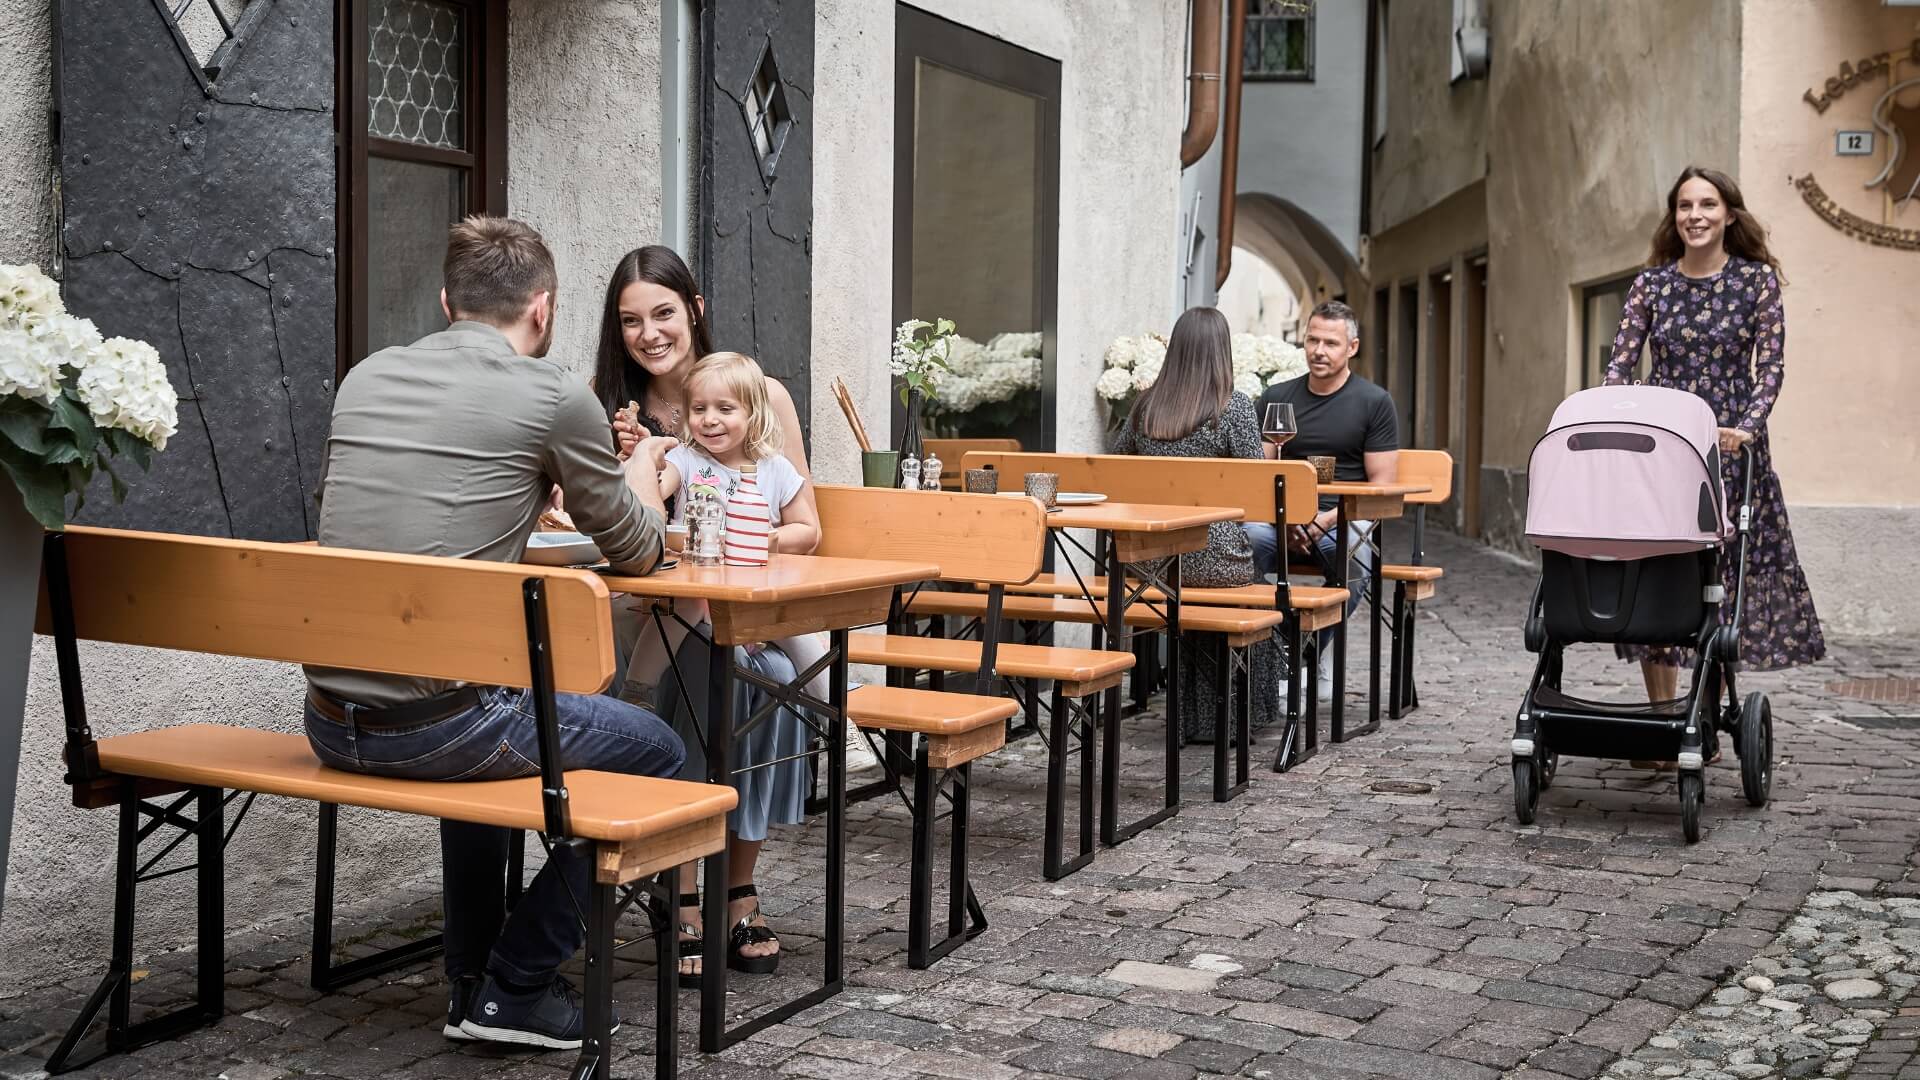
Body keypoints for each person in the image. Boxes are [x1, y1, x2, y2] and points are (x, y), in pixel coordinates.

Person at [303, 215, 686, 1051]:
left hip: (332, 719)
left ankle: (468, 979)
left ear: (447, 302)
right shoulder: (554, 394)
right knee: (661, 753)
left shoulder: (366, 376)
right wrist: (647, 471)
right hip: (441, 726)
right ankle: (515, 983)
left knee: (481, 704)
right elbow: (634, 547)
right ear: (543, 311)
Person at [1606, 166, 1825, 763]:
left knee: (1715, 585)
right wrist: (1613, 417)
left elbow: (1771, 368)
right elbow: (1621, 365)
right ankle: (1660, 723)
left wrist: (1747, 428)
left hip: (1729, 448)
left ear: (1730, 213)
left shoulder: (1756, 282)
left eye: (1707, 204)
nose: (1695, 215)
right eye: (1684, 205)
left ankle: (1705, 708)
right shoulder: (1651, 286)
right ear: (1673, 216)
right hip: (1663, 446)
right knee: (1656, 572)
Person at [1110, 307, 1283, 742]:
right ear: (1221, 353)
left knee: (1186, 602)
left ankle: (1192, 717)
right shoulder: (1234, 407)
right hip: (1215, 557)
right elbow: (1255, 492)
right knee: (1256, 588)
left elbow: (1115, 467)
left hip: (1154, 558)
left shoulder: (1146, 407)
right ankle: (1244, 713)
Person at [1250, 299, 1398, 702]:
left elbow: (1382, 485)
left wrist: (1328, 519)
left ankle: (1303, 649)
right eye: (1312, 339)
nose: (1318, 350)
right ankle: (1272, 643)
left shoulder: (1374, 402)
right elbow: (1260, 475)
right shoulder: (1278, 397)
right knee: (1242, 543)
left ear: (1352, 347)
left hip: (1340, 521)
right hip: (1281, 522)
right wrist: (1287, 519)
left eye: (1330, 342)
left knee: (1357, 555)